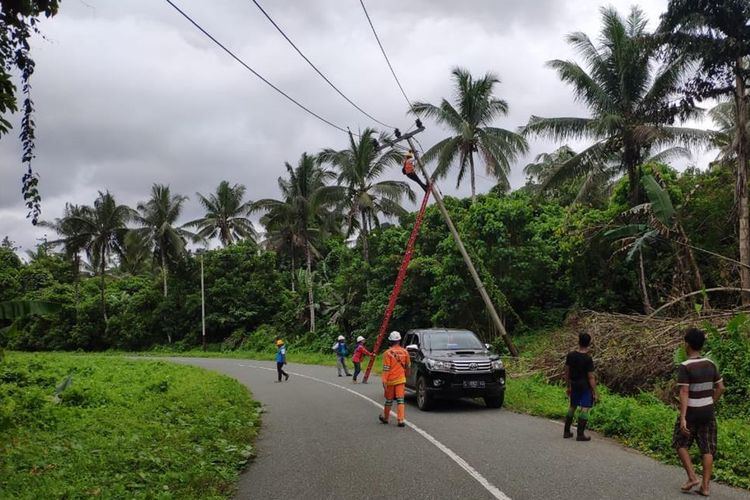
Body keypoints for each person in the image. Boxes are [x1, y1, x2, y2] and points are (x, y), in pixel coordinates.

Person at [673, 327, 725, 496]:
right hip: (708, 411)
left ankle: (692, 477)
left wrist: (683, 417)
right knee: (708, 448)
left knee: (680, 442)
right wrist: (711, 401)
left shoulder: (685, 366)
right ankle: (706, 487)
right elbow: (721, 387)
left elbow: (684, 392)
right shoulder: (711, 364)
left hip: (692, 412)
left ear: (687, 344)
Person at [563, 332, 597, 441]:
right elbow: (591, 377)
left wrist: (568, 386)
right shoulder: (588, 358)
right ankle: (580, 434)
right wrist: (594, 392)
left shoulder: (571, 355)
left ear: (578, 341)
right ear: (589, 344)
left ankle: (566, 431)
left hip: (574, 383)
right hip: (585, 386)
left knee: (572, 406)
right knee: (585, 408)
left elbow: (567, 372)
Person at [378, 331, 411, 427]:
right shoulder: (405, 352)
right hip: (401, 379)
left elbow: (386, 368)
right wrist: (407, 375)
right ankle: (400, 420)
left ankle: (386, 418)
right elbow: (408, 365)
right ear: (399, 340)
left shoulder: (387, 353)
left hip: (391, 380)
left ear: (391, 341)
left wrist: (384, 380)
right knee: (401, 400)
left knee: (389, 400)